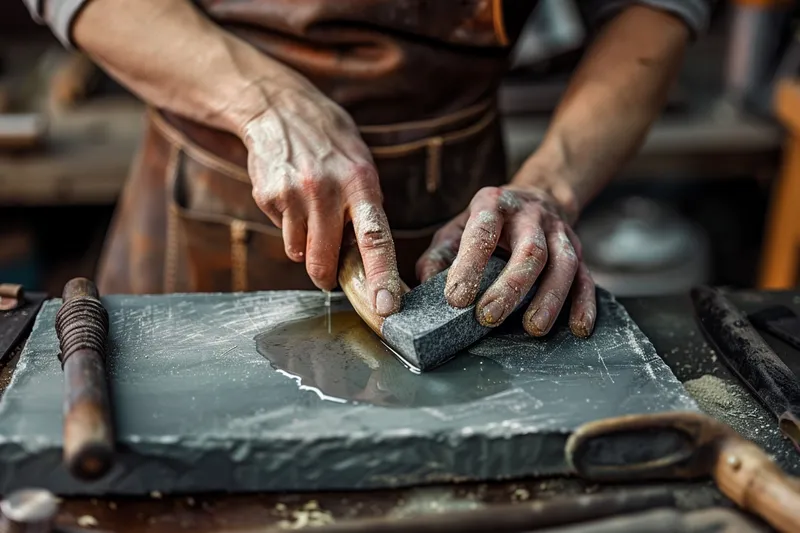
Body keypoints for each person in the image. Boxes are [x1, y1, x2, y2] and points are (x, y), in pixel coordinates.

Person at [24, 0, 712, 339]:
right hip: (198, 199)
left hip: (462, 198)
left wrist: (551, 185)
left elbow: (654, 8)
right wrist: (260, 100)